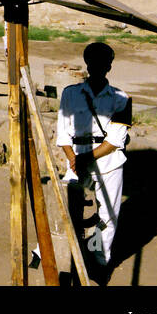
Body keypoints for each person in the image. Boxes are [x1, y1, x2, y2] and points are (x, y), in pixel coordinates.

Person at [56, 41, 132, 283]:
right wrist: (72, 159)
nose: (99, 68)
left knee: (108, 215)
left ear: (109, 66)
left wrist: (83, 159)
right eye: (94, 63)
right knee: (70, 212)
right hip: (76, 159)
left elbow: (115, 141)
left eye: (103, 63)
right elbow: (63, 133)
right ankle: (71, 260)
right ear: (87, 65)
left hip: (108, 161)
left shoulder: (122, 98)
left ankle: (99, 264)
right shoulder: (70, 93)